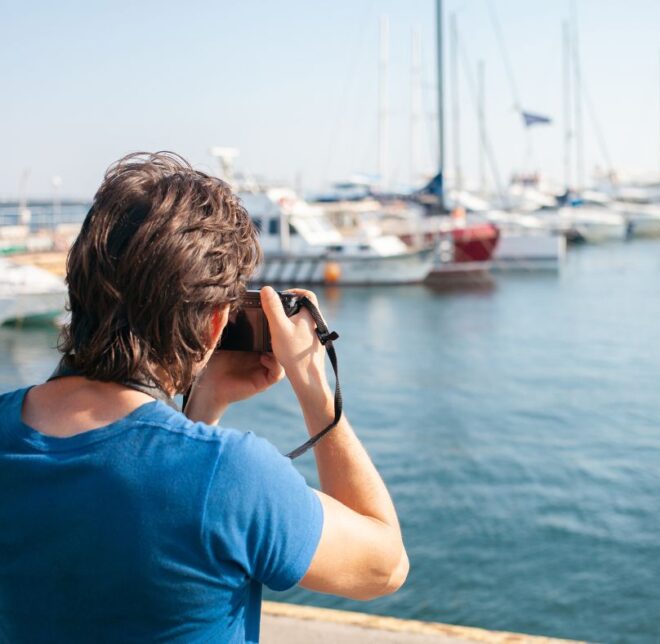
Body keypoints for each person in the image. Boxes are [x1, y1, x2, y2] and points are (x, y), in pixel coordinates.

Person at [0, 152, 408, 643]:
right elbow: (384, 566)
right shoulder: (235, 476)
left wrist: (203, 406)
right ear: (217, 321)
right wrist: (313, 385)